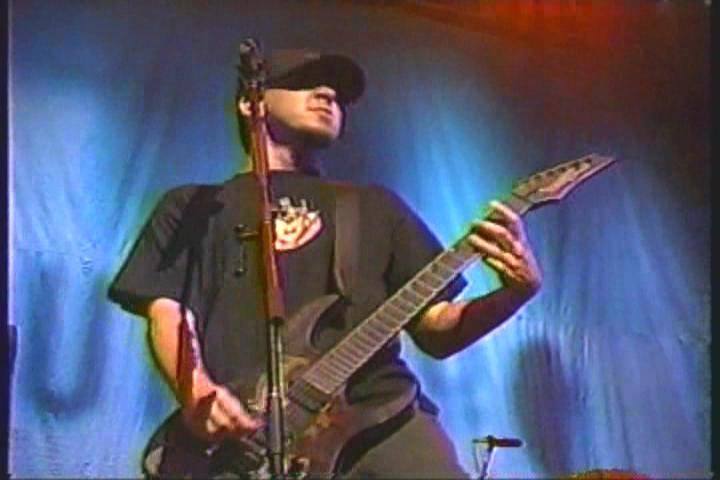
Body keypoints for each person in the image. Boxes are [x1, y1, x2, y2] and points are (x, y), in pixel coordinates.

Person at [108, 48, 542, 479]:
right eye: (304, 82)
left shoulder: (374, 207)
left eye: (336, 92)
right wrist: (197, 392)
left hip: (379, 416)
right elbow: (168, 311)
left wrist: (515, 294)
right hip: (245, 435)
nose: (328, 94)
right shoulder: (193, 206)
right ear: (251, 103)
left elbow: (438, 331)